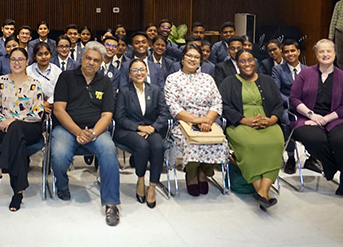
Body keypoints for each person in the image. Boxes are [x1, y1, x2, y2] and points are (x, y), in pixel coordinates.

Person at [51, 41, 120, 226]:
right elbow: (58, 110)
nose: (91, 62)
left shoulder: (105, 82)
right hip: (66, 129)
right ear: (81, 58)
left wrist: (93, 134)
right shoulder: (66, 77)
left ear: (101, 63)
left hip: (95, 131)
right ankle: (62, 185)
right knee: (58, 155)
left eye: (96, 60)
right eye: (88, 58)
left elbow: (107, 115)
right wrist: (78, 132)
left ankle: (111, 203)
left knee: (109, 151)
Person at [290, 39, 343, 196]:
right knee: (313, 138)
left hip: (337, 118)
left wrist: (325, 119)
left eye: (329, 51)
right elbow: (294, 98)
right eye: (321, 51)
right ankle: (340, 165)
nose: (325, 54)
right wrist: (311, 115)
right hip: (307, 117)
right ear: (316, 54)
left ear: (335, 54)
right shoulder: (305, 74)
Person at [219, 49, 284, 210]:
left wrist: (271, 120)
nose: (247, 64)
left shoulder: (268, 81)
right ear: (237, 64)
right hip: (240, 124)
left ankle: (262, 192)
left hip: (267, 122)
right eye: (242, 61)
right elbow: (225, 106)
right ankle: (262, 192)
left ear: (255, 62)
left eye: (250, 60)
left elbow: (278, 104)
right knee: (250, 145)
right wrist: (245, 120)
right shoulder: (229, 82)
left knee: (275, 143)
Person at [0, 47, 45, 211]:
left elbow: (38, 113)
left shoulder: (34, 84)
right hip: (6, 129)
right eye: (13, 59)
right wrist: (2, 122)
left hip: (30, 128)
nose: (17, 63)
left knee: (16, 128)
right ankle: (17, 193)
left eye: (20, 59)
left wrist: (12, 121)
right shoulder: (1, 82)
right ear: (8, 61)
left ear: (27, 62)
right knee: (17, 143)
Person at [164, 43, 228, 197]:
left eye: (196, 57)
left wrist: (208, 120)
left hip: (209, 121)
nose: (193, 59)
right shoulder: (173, 79)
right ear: (183, 58)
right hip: (184, 122)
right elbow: (173, 106)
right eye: (189, 56)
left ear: (201, 60)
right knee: (192, 143)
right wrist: (196, 121)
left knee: (220, 142)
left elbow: (217, 102)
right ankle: (191, 173)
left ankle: (204, 171)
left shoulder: (208, 79)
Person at [113, 58, 169, 208]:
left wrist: (153, 128)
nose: (139, 73)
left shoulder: (156, 90)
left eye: (142, 69)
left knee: (158, 147)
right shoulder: (124, 91)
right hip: (127, 130)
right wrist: (139, 128)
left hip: (151, 129)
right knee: (142, 146)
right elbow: (119, 117)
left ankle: (152, 186)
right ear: (129, 74)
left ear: (147, 71)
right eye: (135, 70)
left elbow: (164, 114)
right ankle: (140, 178)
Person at [272, 39, 307, 174]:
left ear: (298, 52)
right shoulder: (278, 70)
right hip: (286, 106)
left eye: (292, 51)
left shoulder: (307, 70)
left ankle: (314, 156)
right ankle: (291, 156)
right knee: (288, 121)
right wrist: (295, 103)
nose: (290, 54)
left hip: (306, 107)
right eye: (286, 52)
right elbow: (276, 91)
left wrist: (304, 106)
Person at [26, 43, 61, 114]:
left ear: (50, 55)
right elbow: (25, 92)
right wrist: (39, 107)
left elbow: (60, 91)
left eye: (46, 53)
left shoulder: (57, 71)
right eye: (40, 54)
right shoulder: (28, 71)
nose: (43, 57)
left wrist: (46, 104)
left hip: (53, 106)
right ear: (34, 56)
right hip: (31, 107)